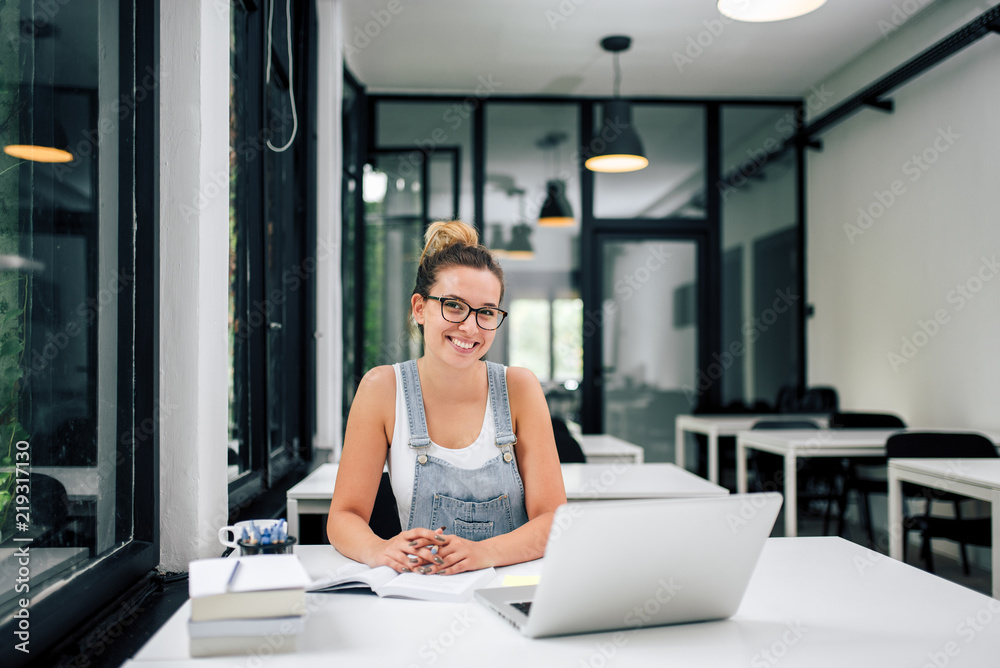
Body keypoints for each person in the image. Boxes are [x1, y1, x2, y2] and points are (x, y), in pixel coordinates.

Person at [327, 220, 567, 575]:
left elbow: (553, 521)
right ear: (420, 308)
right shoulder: (382, 389)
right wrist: (380, 550)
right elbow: (344, 517)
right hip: (423, 590)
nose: (470, 327)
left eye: (486, 311)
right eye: (454, 306)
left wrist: (484, 553)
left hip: (511, 589)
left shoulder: (520, 389)